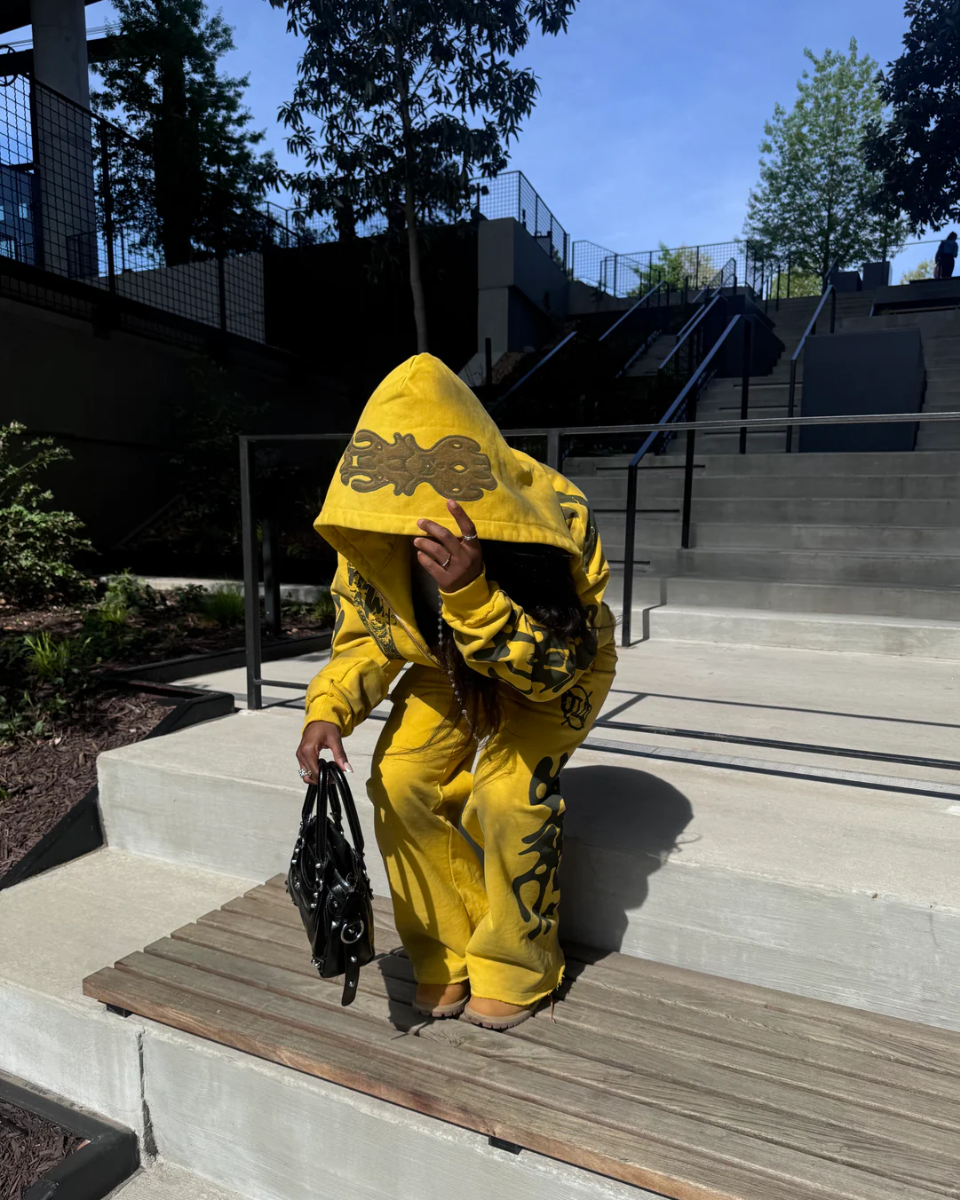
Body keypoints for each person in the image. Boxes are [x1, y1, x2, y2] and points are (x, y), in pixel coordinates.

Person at [296, 354, 617, 1031]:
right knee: (400, 779)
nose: (415, 524)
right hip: (446, 661)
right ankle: (444, 950)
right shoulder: (369, 532)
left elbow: (554, 669)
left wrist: (471, 592)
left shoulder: (550, 513)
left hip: (556, 663)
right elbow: (370, 638)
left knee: (507, 792)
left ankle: (519, 963)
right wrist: (329, 710)